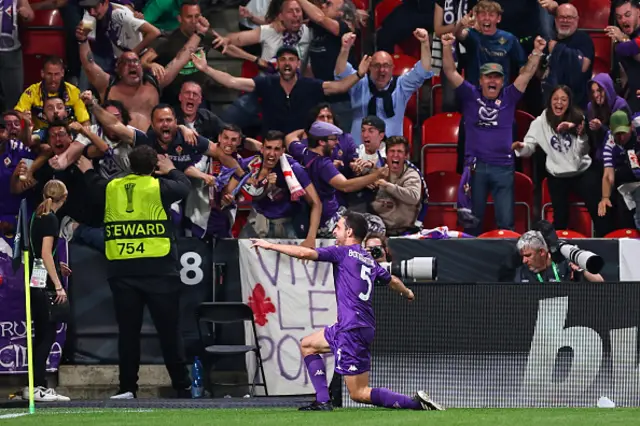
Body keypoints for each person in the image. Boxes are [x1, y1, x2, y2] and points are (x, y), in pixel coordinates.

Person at [250, 211, 444, 411]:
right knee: (307, 345)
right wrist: (408, 292)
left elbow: (304, 253)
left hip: (352, 328)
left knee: (359, 393)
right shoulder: (368, 259)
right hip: (352, 326)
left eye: (339, 227)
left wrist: (270, 245)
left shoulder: (342, 252)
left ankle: (416, 404)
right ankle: (323, 401)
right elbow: (392, 280)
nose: (334, 231)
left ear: (349, 232)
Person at [76, 146, 192, 399]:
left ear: (128, 164)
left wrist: (87, 169)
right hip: (159, 270)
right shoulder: (158, 187)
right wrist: (171, 169)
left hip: (123, 271)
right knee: (169, 332)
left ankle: (127, 388)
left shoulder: (112, 187)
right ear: (153, 167)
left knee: (128, 333)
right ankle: (182, 387)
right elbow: (184, 186)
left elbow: (93, 183)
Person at [513, 85, 613, 237]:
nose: (559, 103)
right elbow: (529, 148)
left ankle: (604, 242)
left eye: (563, 99)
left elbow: (583, 151)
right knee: (560, 218)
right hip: (557, 176)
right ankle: (558, 251)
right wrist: (521, 147)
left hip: (582, 172)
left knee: (599, 212)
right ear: (550, 101)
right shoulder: (540, 122)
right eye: (555, 99)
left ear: (569, 102)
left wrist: (580, 135)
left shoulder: (578, 117)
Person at [23, 179, 71, 402]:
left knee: (41, 335)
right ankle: (38, 387)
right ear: (64, 197)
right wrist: (59, 285)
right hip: (45, 285)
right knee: (46, 336)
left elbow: (39, 252)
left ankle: (34, 386)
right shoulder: (51, 218)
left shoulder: (36, 215)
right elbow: (44, 252)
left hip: (35, 279)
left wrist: (57, 264)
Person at [514, 230, 603, 282]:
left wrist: (580, 269)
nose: (524, 260)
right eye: (523, 256)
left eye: (528, 255)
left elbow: (600, 281)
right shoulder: (522, 272)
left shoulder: (564, 264)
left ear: (541, 252)